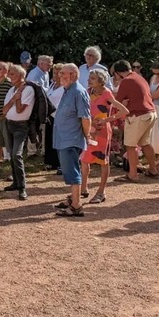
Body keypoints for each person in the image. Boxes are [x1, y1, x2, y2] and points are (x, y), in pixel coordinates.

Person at [80, 70, 128, 204]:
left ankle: (101, 192)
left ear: (101, 81)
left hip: (102, 132)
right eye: (89, 77)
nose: (89, 80)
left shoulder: (107, 93)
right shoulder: (88, 91)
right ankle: (83, 188)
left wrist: (107, 120)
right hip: (90, 130)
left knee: (103, 161)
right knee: (84, 159)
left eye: (93, 78)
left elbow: (124, 110)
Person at [53, 64, 91, 217]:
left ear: (74, 75)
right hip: (64, 138)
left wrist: (87, 136)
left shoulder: (78, 92)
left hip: (71, 139)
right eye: (59, 73)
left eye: (63, 73)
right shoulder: (68, 90)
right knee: (69, 170)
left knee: (73, 171)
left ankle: (76, 205)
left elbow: (86, 117)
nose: (60, 76)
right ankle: (73, 200)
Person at [114, 59, 158, 181]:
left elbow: (117, 101)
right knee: (145, 143)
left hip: (138, 115)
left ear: (118, 73)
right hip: (151, 113)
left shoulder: (126, 81)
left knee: (130, 145)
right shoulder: (139, 77)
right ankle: (153, 169)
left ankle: (133, 175)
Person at [2, 65, 36, 200]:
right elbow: (4, 110)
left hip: (21, 126)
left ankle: (22, 188)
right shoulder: (12, 90)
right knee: (11, 153)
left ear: (21, 76)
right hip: (9, 123)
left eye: (12, 74)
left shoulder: (28, 89)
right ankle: (16, 183)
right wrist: (14, 98)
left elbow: (21, 109)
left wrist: (16, 100)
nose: (9, 76)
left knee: (17, 154)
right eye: (9, 74)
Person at [44, 63, 65, 171]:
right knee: (50, 139)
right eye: (54, 72)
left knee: (60, 140)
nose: (56, 75)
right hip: (50, 116)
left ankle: (61, 163)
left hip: (59, 116)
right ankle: (52, 162)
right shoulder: (52, 85)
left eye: (58, 73)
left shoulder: (64, 87)